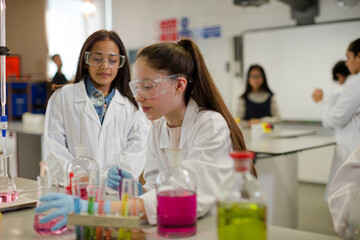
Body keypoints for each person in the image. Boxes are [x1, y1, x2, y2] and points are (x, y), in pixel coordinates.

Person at [36, 39, 257, 230]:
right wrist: (138, 189)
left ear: (179, 85)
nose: (139, 97)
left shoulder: (210, 125)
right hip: (173, 228)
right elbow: (156, 189)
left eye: (148, 87)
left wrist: (93, 208)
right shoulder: (159, 127)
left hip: (214, 229)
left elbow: (182, 198)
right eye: (136, 87)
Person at [44, 30, 150, 186]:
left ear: (121, 64)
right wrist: (82, 180)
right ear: (86, 60)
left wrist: (105, 180)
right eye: (97, 59)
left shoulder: (132, 105)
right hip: (74, 191)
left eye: (113, 61)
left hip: (115, 195)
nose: (105, 66)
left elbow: (137, 151)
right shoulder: (63, 97)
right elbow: (54, 148)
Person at [327, 38, 360, 239]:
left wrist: (320, 103)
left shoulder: (355, 83)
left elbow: (336, 118)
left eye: (349, 57)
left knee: (348, 196)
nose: (347, 63)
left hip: (352, 147)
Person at [311, 60, 351, 201]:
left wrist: (320, 102)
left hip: (348, 146)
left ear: (339, 76)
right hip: (349, 144)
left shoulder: (344, 90)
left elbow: (332, 120)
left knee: (344, 190)